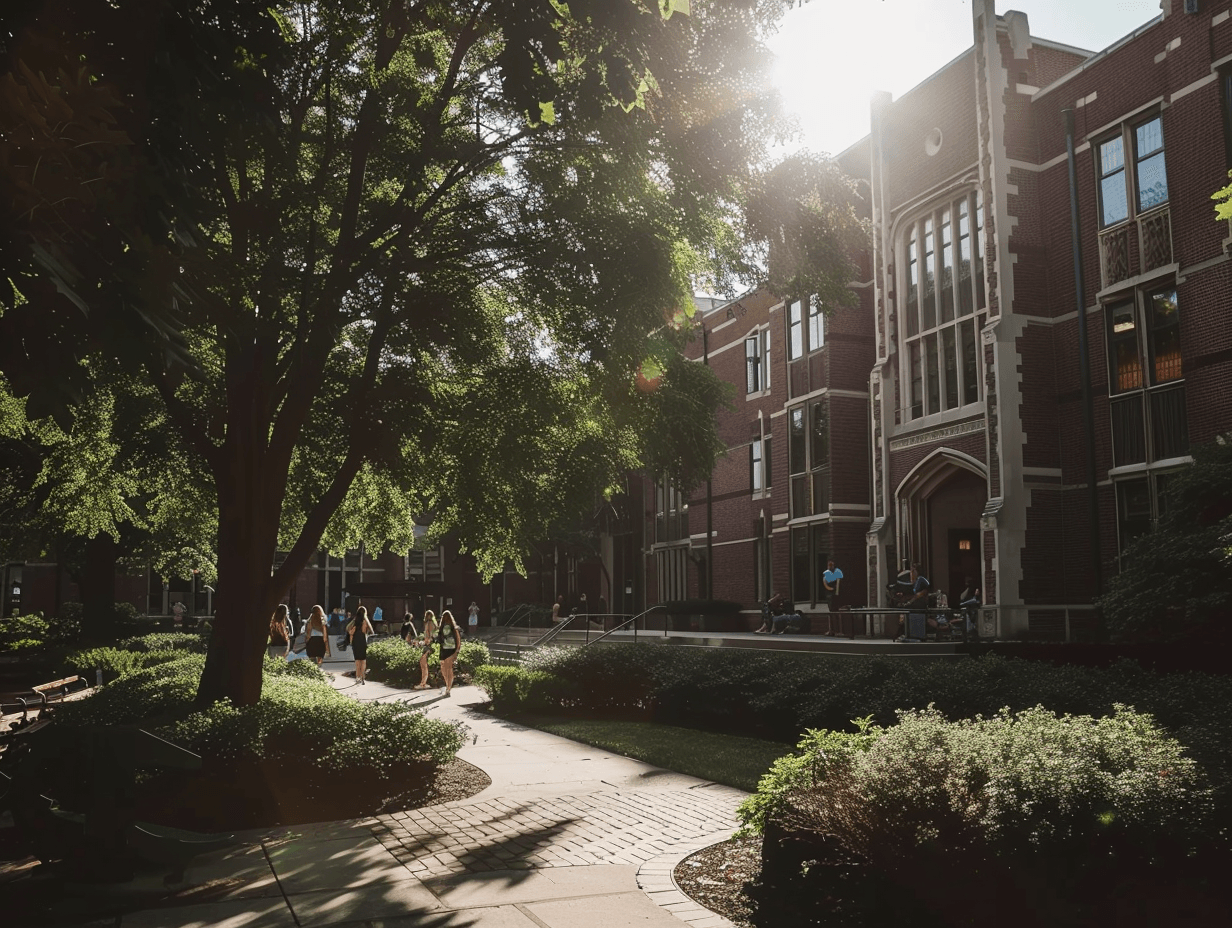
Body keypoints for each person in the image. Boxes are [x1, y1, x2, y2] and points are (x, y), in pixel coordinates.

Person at [348, 605, 375, 684]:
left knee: (357, 660)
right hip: (362, 640)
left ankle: (357, 677)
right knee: (363, 660)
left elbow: (348, 629)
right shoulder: (365, 620)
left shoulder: (354, 620)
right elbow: (368, 631)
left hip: (355, 641)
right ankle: (363, 677)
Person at [437, 609, 462, 696]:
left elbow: (458, 640)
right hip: (443, 649)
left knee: (449, 668)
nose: (446, 618)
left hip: (451, 649)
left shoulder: (454, 628)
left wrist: (457, 651)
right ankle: (447, 684)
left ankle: (448, 687)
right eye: (445, 617)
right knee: (443, 667)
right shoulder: (441, 628)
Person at [414, 609, 437, 689]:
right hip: (429, 645)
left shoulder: (429, 624)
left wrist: (423, 642)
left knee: (423, 663)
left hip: (428, 645)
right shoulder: (431, 623)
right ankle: (424, 683)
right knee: (424, 664)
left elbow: (430, 636)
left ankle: (423, 683)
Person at [822, 560, 844, 636]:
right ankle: (832, 630)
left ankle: (838, 630)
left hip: (835, 596)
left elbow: (837, 585)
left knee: (837, 613)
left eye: (831, 565)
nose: (830, 567)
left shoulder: (837, 575)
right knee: (831, 613)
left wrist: (835, 591)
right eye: (829, 565)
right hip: (830, 596)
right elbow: (826, 585)